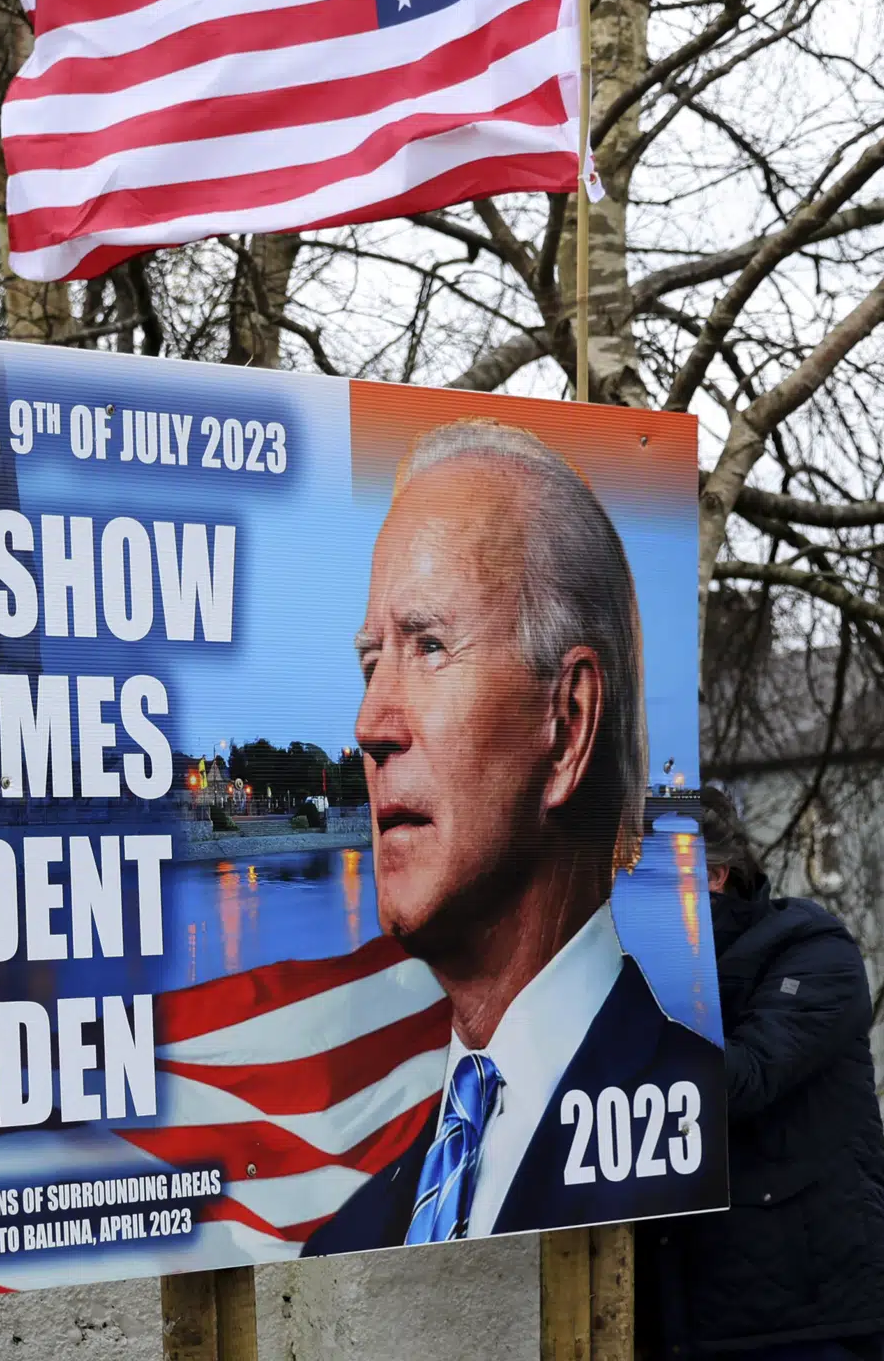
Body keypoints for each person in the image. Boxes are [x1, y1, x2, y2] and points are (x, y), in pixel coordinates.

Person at [305, 421, 721, 1253]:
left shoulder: (721, 1142)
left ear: (567, 723)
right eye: (370, 663)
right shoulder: (345, 1242)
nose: (369, 725)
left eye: (429, 646)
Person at [641, 786, 884, 1361]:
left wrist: (633, 999)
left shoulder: (811, 951)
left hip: (807, 1323)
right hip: (690, 1319)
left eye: (649, 879)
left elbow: (740, 1081)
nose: (632, 902)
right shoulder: (648, 967)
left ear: (713, 876)